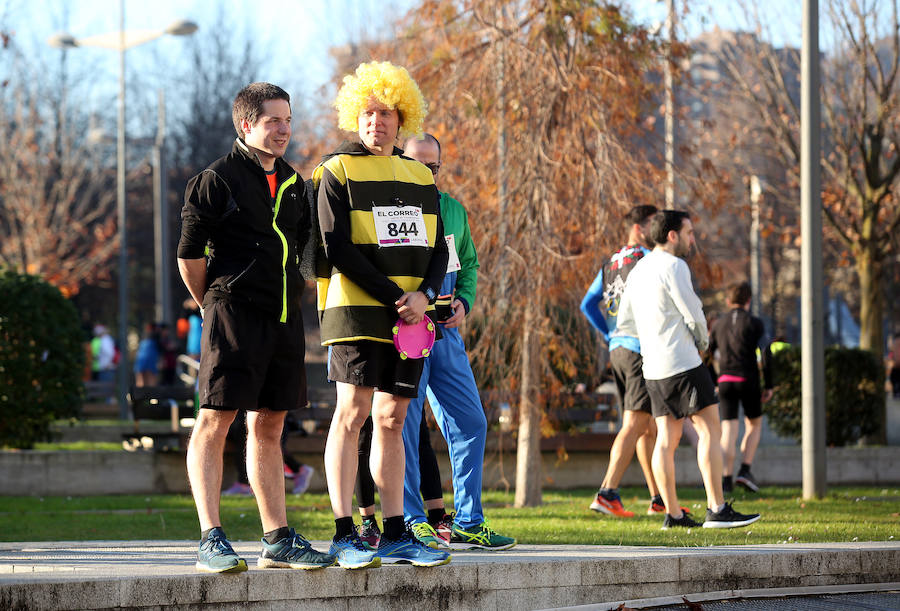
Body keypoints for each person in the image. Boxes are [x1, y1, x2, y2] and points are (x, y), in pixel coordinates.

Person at [177, 82, 334, 573]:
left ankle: (277, 538)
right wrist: (212, 304)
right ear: (247, 125)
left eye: (288, 119)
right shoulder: (215, 179)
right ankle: (211, 538)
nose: (284, 129)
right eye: (274, 121)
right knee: (215, 420)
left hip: (285, 319)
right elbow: (188, 257)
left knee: (269, 424)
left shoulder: (294, 182)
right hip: (231, 315)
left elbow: (307, 253)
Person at [312, 62, 451, 568]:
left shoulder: (419, 175)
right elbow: (335, 247)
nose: (377, 122)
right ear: (355, 116)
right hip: (355, 312)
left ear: (402, 116)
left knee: (393, 419)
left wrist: (427, 295)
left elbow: (440, 248)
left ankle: (396, 533)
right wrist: (397, 294)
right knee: (352, 416)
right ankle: (345, 531)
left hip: (414, 316)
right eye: (367, 112)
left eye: (387, 112)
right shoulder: (335, 171)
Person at [395, 133, 516, 551]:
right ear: (399, 161)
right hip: (406, 332)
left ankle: (467, 520)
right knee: (405, 427)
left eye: (433, 166)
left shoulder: (453, 210)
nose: (426, 172)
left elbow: (470, 262)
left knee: (471, 422)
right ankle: (411, 519)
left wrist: (464, 299)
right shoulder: (390, 208)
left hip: (447, 332)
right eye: (416, 164)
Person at [616, 209, 761, 529]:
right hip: (682, 360)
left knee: (666, 438)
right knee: (711, 429)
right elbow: (692, 310)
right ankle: (717, 508)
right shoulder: (675, 265)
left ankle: (673, 514)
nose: (693, 239)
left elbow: (624, 318)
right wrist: (703, 340)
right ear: (672, 235)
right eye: (690, 233)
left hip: (652, 367)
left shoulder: (638, 270)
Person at [580, 205, 669, 518]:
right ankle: (607, 492)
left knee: (645, 426)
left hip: (617, 348)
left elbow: (588, 303)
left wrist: (608, 334)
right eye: (654, 224)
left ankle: (658, 498)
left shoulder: (611, 262)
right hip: (638, 349)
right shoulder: (647, 259)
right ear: (641, 228)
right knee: (635, 423)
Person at [709, 282, 773, 494]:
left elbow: (707, 353)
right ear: (748, 301)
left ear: (728, 301)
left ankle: (726, 479)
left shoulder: (719, 325)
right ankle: (745, 470)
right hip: (748, 380)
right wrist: (769, 384)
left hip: (725, 381)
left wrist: (713, 381)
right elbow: (766, 352)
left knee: (728, 429)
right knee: (754, 425)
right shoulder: (755, 323)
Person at [133, 322, 160, 388]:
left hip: (140, 359)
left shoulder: (144, 337)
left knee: (141, 381)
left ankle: (140, 396)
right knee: (151, 380)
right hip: (149, 360)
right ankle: (151, 397)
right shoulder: (155, 337)